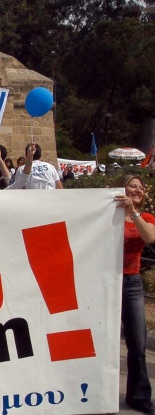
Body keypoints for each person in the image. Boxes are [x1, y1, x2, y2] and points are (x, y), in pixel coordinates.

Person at [114, 174, 155, 414]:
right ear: (122, 187)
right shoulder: (106, 211)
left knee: (138, 342)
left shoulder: (146, 216)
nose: (137, 190)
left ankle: (139, 397)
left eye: (140, 187)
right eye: (133, 185)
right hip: (105, 281)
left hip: (131, 283)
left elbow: (149, 237)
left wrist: (133, 212)